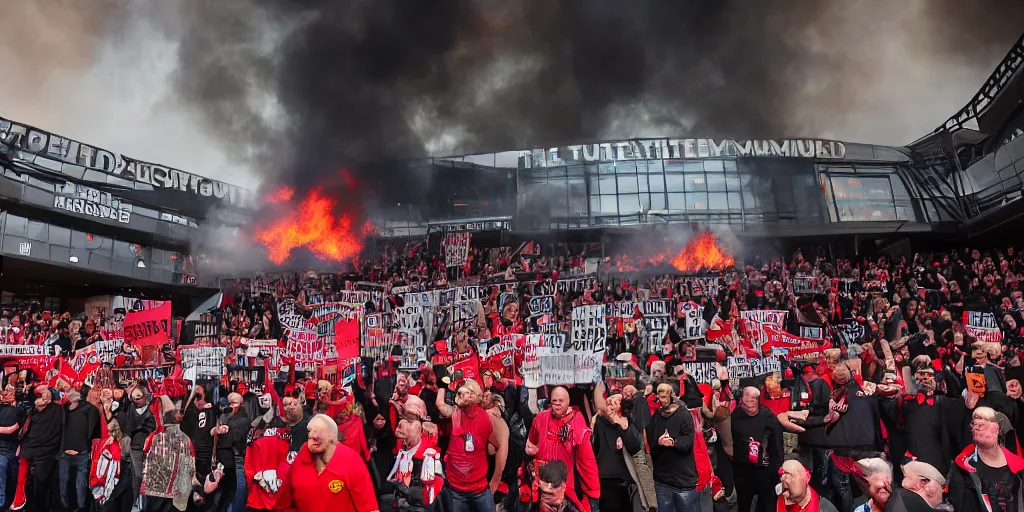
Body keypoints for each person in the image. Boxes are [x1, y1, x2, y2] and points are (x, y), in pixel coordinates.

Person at [274, 414, 379, 512]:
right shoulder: (299, 462)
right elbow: (283, 505)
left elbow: (369, 508)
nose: (313, 437)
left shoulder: (351, 461)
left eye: (319, 434)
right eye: (310, 434)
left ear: (332, 438)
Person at [525, 386, 598, 512]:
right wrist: (530, 451)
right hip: (543, 485)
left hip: (566, 488)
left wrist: (593, 491)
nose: (557, 404)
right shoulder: (540, 419)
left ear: (568, 401)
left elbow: (587, 460)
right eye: (554, 401)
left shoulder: (577, 422)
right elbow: (530, 445)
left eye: (561, 400)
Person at [436, 379, 506, 512]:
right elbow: (440, 404)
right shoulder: (454, 415)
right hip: (456, 491)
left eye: (468, 392)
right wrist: (442, 384)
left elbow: (494, 447)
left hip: (479, 490)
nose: (463, 395)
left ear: (476, 397)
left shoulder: (485, 418)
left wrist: (495, 479)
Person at [948, 406, 1024, 512]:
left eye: (982, 425)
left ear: (996, 429)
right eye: (974, 424)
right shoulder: (962, 466)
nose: (976, 428)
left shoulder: (1019, 468)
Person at [645, 381, 698, 512]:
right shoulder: (655, 416)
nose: (662, 397)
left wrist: (673, 442)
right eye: (659, 393)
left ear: (672, 395)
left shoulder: (684, 414)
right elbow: (650, 444)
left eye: (665, 393)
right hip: (662, 480)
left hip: (683, 481)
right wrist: (659, 442)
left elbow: (688, 441)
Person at [12, 385, 64, 512]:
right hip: (28, 452)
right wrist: (32, 387)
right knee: (23, 482)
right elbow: (31, 397)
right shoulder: (31, 412)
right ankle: (24, 505)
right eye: (39, 396)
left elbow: (70, 398)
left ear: (50, 399)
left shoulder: (57, 410)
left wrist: (52, 389)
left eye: (45, 395)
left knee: (42, 487)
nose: (42, 397)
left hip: (45, 455)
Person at [730, 386, 783, 512]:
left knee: (766, 505)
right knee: (743, 504)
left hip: (763, 471)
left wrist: (776, 472)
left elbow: (777, 447)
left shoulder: (768, 417)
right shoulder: (735, 415)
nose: (751, 408)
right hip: (741, 471)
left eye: (754, 404)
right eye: (747, 404)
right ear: (741, 401)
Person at [141, 396, 196, 512]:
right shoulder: (182, 438)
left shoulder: (156, 437)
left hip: (165, 491)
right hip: (161, 490)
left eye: (180, 411)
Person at [214, 391, 250, 512]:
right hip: (223, 461)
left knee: (233, 492)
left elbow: (231, 438)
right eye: (229, 403)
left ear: (241, 404)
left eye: (233, 403)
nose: (230, 406)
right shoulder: (225, 415)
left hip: (235, 460)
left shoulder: (243, 420)